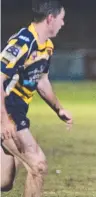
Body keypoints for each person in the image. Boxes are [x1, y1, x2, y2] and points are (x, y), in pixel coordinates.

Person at [0, 0, 73, 196]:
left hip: (17, 111)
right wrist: (4, 120)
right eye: (61, 19)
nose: (63, 24)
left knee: (4, 181)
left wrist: (59, 109)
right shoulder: (23, 42)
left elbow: (42, 81)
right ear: (50, 18)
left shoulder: (47, 47)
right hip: (7, 112)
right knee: (37, 164)